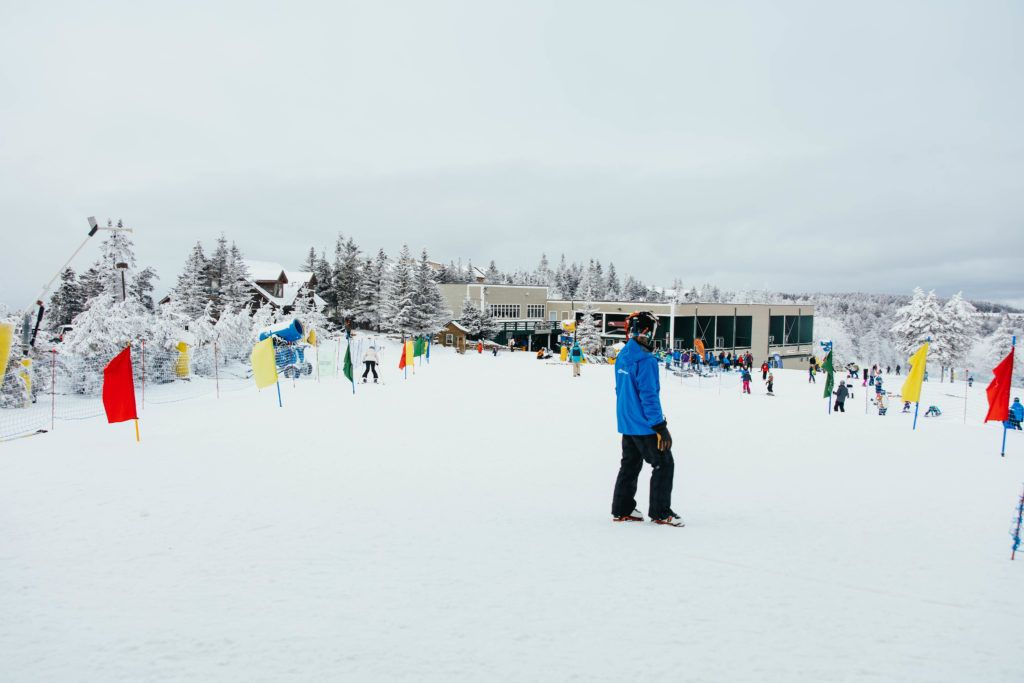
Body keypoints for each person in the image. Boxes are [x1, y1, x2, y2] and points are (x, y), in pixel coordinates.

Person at [611, 311, 681, 527]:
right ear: (646, 331)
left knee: (630, 464)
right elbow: (649, 396)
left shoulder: (623, 355)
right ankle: (660, 512)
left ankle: (623, 508)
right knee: (664, 463)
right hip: (644, 425)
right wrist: (660, 426)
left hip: (627, 422)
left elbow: (620, 389)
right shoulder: (646, 360)